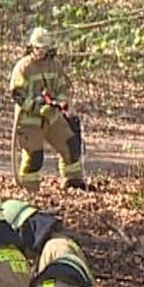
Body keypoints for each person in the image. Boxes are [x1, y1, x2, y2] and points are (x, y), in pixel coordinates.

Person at [8, 26, 85, 193]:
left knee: (71, 146)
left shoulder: (54, 65)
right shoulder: (23, 67)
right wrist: (37, 107)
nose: (41, 52)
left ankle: (73, 182)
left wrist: (60, 102)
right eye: (37, 48)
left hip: (52, 116)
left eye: (44, 48)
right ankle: (30, 190)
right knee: (34, 158)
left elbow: (63, 87)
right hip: (30, 121)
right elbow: (18, 94)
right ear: (31, 47)